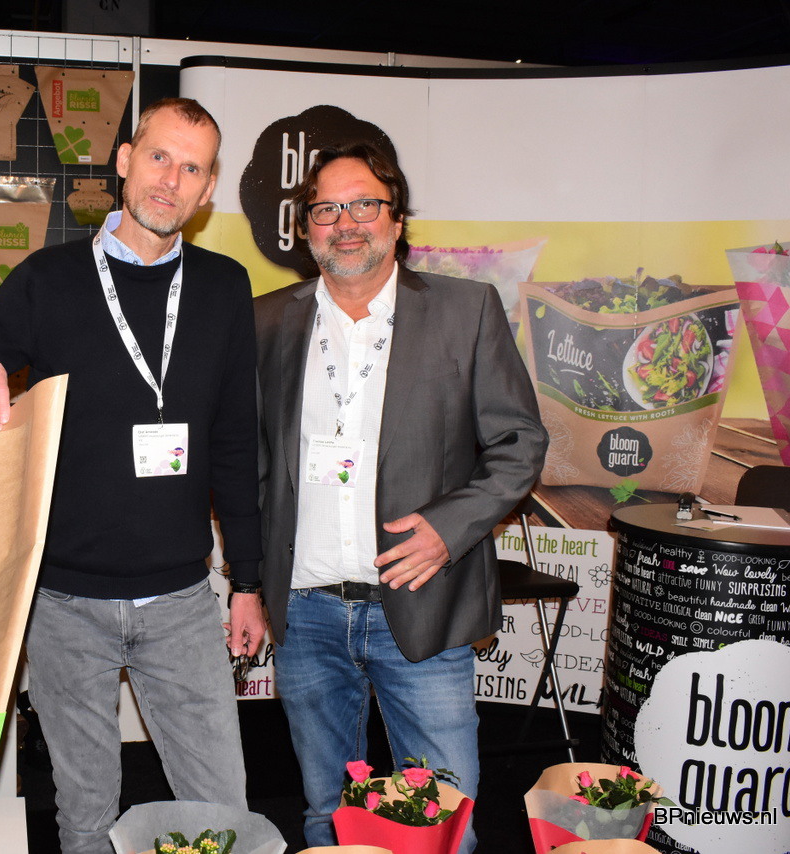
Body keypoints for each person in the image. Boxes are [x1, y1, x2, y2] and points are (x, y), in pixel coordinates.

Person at [0, 97, 265, 854]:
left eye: (192, 168)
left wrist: (246, 581)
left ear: (208, 189)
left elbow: (234, 443)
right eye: (159, 157)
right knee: (85, 818)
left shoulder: (223, 287)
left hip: (182, 604)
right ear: (124, 160)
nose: (170, 180)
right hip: (64, 605)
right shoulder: (49, 278)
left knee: (222, 814)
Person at [254, 139, 547, 851]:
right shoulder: (264, 322)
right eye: (326, 209)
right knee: (328, 814)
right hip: (306, 612)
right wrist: (247, 581)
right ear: (304, 227)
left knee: (442, 823)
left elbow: (519, 443)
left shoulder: (465, 310)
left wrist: (450, 528)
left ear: (397, 219)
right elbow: (250, 460)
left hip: (422, 604)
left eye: (365, 204)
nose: (346, 223)